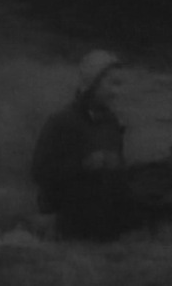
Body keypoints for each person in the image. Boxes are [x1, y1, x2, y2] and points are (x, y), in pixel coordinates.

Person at [31, 50, 139, 241]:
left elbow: (118, 174)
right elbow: (39, 172)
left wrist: (116, 165)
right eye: (112, 84)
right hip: (67, 210)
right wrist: (84, 164)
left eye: (119, 85)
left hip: (102, 206)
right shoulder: (62, 121)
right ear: (92, 84)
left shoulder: (110, 122)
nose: (116, 92)